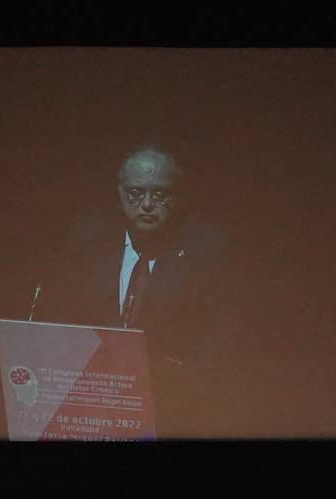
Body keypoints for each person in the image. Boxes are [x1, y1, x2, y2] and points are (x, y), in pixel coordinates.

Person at [36, 146, 236, 429]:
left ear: (176, 195)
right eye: (136, 193)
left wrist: (180, 376)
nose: (147, 204)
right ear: (120, 191)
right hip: (91, 396)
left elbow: (227, 327)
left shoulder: (209, 247)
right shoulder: (87, 239)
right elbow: (56, 310)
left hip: (175, 401)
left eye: (160, 194)